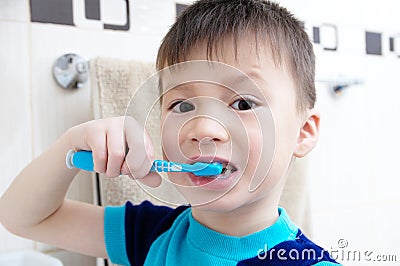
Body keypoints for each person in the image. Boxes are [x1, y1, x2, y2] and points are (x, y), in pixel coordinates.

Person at [0, 0, 340, 265]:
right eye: (182, 105)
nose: (203, 129)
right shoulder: (152, 234)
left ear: (303, 132)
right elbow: (23, 218)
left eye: (242, 103)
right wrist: (70, 145)